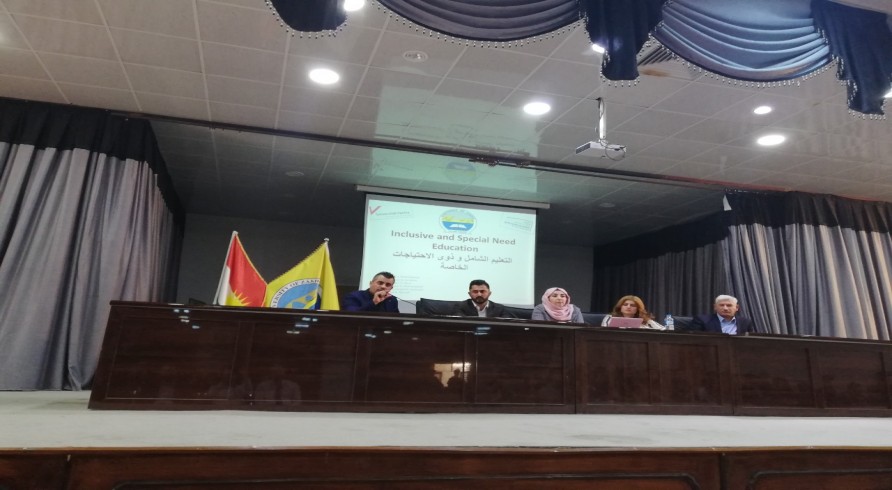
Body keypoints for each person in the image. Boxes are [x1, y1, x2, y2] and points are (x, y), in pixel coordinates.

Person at [600, 295, 664, 329]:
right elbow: (605, 331)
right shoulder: (610, 317)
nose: (628, 307)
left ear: (638, 309)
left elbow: (663, 330)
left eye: (632, 305)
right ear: (620, 307)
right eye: (625, 304)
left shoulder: (645, 320)